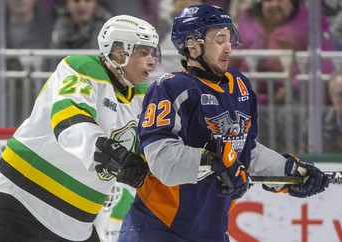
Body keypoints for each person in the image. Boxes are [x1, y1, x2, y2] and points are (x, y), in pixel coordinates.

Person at [118, 5, 330, 242]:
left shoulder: (239, 86)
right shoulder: (170, 88)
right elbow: (162, 161)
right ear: (192, 44)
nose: (229, 48)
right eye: (219, 40)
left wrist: (288, 173)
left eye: (229, 39)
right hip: (157, 229)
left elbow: (245, 150)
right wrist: (217, 163)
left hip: (212, 232)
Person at [0, 15, 160, 242]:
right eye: (143, 53)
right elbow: (71, 123)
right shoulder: (80, 68)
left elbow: (151, 150)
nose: (152, 61)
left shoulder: (142, 94)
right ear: (119, 52)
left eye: (153, 53)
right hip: (20, 205)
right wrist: (116, 157)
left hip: (76, 226)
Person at [233, 0, 336, 104]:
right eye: (268, 1)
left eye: (280, 0)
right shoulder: (248, 20)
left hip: (295, 104)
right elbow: (230, 59)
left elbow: (325, 64)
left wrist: (293, 87)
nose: (274, 5)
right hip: (248, 100)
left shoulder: (312, 21)